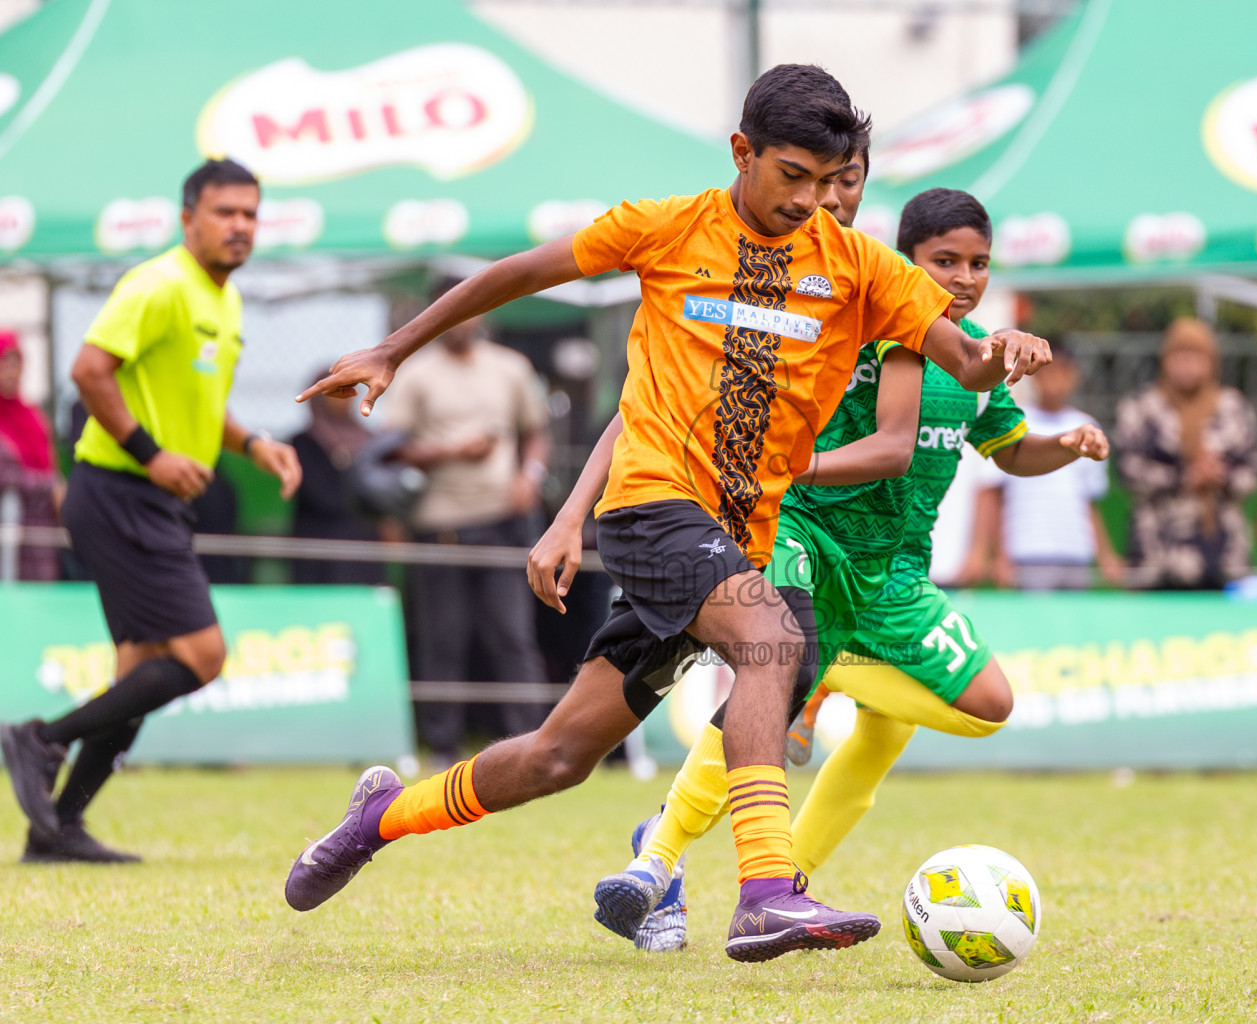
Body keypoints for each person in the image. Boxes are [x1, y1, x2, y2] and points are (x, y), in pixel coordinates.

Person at [283, 65, 1043, 963]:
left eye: (827, 181)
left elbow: (963, 358)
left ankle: (382, 815)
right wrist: (393, 348)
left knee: (558, 757)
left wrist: (1004, 355)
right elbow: (521, 274)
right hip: (653, 509)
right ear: (742, 153)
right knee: (772, 638)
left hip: (732, 538)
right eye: (790, 175)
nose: (808, 200)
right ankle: (765, 890)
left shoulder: (860, 266)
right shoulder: (667, 228)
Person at [591, 187, 1109, 953]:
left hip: (895, 577)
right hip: (810, 537)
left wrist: (1062, 448)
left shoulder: (973, 362)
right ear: (905, 261)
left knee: (983, 706)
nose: (964, 278)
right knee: (782, 663)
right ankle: (660, 858)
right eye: (944, 262)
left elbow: (1009, 446)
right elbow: (882, 439)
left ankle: (779, 875)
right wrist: (787, 468)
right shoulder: (866, 321)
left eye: (978, 264)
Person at [0, 159, 301, 864]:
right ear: (187, 217)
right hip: (119, 491)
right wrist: (152, 454)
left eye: (250, 214)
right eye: (224, 212)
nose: (239, 226)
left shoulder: (223, 300)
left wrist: (253, 443)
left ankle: (59, 829)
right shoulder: (159, 283)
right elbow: (87, 370)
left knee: (139, 674)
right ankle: (39, 738)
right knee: (201, 656)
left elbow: (197, 403)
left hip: (151, 500)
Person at [385, 285, 552, 759]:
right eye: (449, 314)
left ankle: (532, 745)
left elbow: (537, 432)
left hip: (504, 519)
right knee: (444, 639)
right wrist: (449, 451)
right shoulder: (416, 374)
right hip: (441, 523)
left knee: (513, 635)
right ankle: (442, 744)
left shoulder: (510, 367)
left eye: (469, 312)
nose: (461, 322)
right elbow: (391, 448)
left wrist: (530, 475)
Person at [1115, 317, 1257, 590]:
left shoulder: (1233, 408)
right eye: (1179, 355)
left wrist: (1221, 477)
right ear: (1165, 359)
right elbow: (1126, 469)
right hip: (1157, 555)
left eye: (1196, 355)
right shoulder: (1142, 407)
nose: (1187, 364)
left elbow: (1253, 470)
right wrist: (1184, 477)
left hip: (1224, 555)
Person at [973, 346, 1122, 590]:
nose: (1055, 378)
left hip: (1076, 552)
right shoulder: (1014, 420)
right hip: (1028, 551)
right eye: (1048, 371)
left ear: (1074, 375)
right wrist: (996, 554)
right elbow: (992, 493)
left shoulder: (1087, 426)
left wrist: (1105, 555)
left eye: (1062, 370)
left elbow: (1088, 502)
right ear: (1034, 374)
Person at [288, 366, 392, 586]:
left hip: (364, 546)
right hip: (320, 550)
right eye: (337, 392)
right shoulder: (304, 444)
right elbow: (322, 497)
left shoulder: (368, 440)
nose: (345, 400)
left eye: (349, 392)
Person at [0, 329, 61, 581]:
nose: (12, 372)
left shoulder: (32, 416)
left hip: (39, 527)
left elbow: (51, 464)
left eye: (17, 363)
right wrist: (51, 486)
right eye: (5, 363)